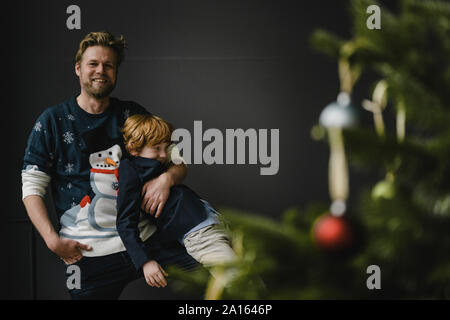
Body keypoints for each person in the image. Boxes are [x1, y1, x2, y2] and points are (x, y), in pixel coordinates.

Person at [22, 31, 198, 299]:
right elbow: (31, 186)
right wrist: (51, 239)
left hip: (147, 239)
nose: (100, 71)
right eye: (93, 64)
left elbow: (177, 161)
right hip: (91, 254)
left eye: (109, 65)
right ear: (78, 68)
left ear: (116, 72)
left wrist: (166, 179)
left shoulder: (133, 114)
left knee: (216, 282)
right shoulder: (52, 121)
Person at [117, 114, 236, 288]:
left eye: (166, 147)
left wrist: (166, 178)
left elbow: (179, 163)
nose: (163, 154)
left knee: (252, 271)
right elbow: (124, 222)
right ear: (134, 149)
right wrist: (145, 261)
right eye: (156, 148)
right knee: (240, 284)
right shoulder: (131, 171)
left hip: (212, 219)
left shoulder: (160, 161)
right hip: (198, 235)